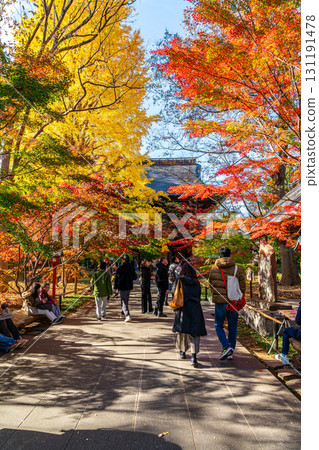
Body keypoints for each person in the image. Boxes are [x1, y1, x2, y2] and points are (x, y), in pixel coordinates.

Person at [209, 246, 246, 360]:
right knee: (232, 327)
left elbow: (211, 285)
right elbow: (243, 286)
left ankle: (226, 346)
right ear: (230, 255)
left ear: (219, 256)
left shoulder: (214, 269)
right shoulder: (237, 268)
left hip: (220, 302)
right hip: (233, 302)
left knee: (218, 325)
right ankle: (231, 352)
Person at [172, 262, 207, 367]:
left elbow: (174, 293)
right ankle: (193, 357)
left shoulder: (180, 281)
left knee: (182, 332)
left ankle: (182, 352)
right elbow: (199, 295)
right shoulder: (196, 282)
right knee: (195, 333)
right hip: (195, 308)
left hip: (183, 308)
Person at [114, 254, 135, 322]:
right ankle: (123, 313)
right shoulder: (131, 267)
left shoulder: (120, 268)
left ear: (123, 260)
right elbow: (134, 277)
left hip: (122, 286)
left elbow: (117, 278)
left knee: (124, 301)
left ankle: (127, 315)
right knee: (125, 300)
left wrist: (115, 287)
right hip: (128, 286)